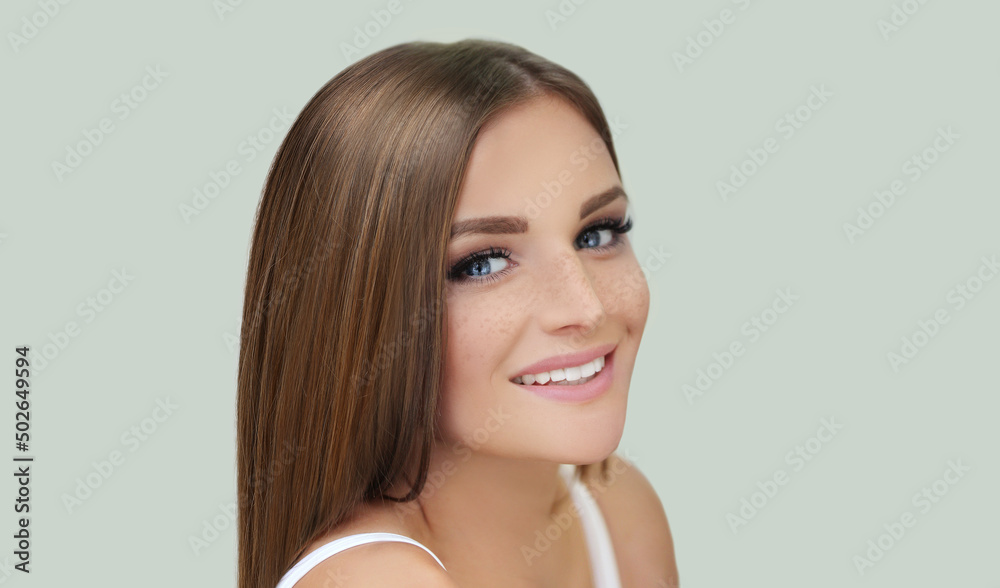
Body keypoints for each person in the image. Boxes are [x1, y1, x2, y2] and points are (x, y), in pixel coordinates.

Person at [237, 38, 679, 588]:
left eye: (598, 232)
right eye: (483, 263)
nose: (585, 308)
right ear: (362, 313)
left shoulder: (617, 510)